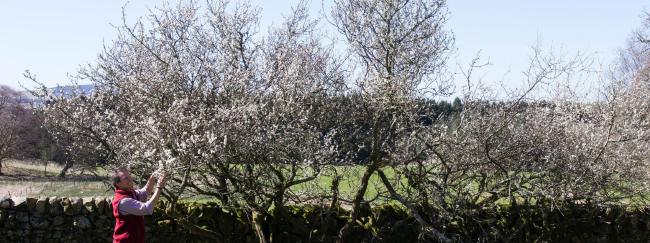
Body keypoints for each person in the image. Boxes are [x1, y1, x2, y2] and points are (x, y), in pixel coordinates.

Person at [111, 167, 166, 243]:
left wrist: (153, 176)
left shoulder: (130, 192)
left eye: (129, 176)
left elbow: (146, 191)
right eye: (126, 178)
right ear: (118, 183)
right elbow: (147, 208)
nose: (130, 179)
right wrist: (159, 187)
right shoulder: (124, 201)